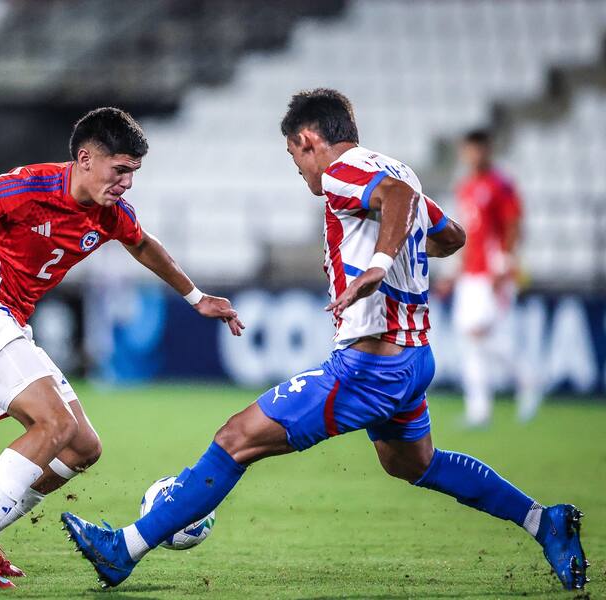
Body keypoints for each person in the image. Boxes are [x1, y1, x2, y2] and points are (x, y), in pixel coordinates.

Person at [61, 90, 587, 592]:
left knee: (234, 439)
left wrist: (378, 266)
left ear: (309, 140)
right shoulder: (396, 168)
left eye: (296, 159)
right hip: (412, 359)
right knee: (413, 463)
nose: (303, 172)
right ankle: (545, 522)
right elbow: (451, 236)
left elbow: (399, 201)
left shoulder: (344, 171)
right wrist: (398, 247)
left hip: (369, 367)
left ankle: (122, 550)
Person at [0, 107, 244, 588]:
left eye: (134, 172)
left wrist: (196, 298)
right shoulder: (24, 188)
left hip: (7, 319)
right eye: (120, 170)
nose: (127, 183)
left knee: (82, 447)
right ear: (86, 158)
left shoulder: (109, 213)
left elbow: (143, 244)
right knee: (55, 423)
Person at [453, 129, 541, 425]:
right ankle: (479, 409)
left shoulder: (501, 184)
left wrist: (504, 265)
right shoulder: (464, 187)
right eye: (468, 150)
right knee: (471, 340)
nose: (472, 155)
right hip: (470, 274)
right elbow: (468, 235)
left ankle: (528, 379)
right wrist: (455, 273)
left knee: (479, 334)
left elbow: (513, 225)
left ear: (487, 150)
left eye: (477, 149)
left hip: (493, 272)